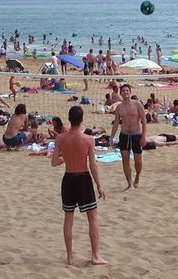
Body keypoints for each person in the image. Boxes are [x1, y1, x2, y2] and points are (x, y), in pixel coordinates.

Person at [51, 106, 107, 266]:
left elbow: (54, 162)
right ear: (82, 120)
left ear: (69, 119)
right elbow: (93, 165)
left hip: (68, 179)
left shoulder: (60, 139)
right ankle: (95, 255)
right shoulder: (88, 139)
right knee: (93, 218)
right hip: (83, 179)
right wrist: (99, 186)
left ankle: (70, 257)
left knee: (68, 218)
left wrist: (66, 158)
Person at [109, 84, 147, 190]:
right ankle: (130, 183)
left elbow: (144, 121)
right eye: (123, 91)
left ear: (130, 92)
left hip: (136, 134)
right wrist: (111, 137)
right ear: (120, 93)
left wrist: (144, 136)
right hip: (124, 134)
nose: (126, 92)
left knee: (138, 160)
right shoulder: (119, 107)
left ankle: (137, 176)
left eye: (127, 90)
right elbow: (116, 123)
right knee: (125, 160)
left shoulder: (137, 104)